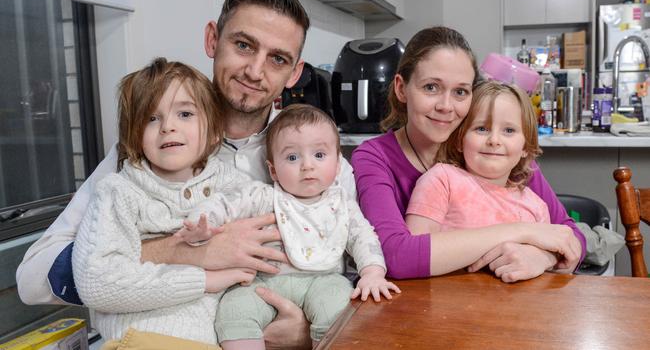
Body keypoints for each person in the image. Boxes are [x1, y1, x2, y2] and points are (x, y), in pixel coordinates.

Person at [17, 0, 345, 348]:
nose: (255, 70)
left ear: (295, 73)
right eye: (243, 45)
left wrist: (302, 331)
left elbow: (346, 271)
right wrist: (185, 252)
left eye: (278, 59)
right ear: (212, 39)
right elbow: (33, 278)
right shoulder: (147, 150)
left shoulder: (319, 158)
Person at [351, 26, 586, 284]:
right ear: (401, 88)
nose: (446, 106)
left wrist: (542, 257)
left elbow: (571, 235)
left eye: (460, 91)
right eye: (431, 87)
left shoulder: (492, 153)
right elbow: (396, 257)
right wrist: (526, 232)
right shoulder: (374, 157)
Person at [177, 104, 398, 349]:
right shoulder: (262, 196)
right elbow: (224, 203)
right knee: (234, 309)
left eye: (319, 155)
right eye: (292, 157)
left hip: (323, 280)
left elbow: (364, 237)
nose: (307, 165)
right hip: (264, 283)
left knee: (338, 308)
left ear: (337, 165)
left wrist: (372, 272)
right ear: (272, 169)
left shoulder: (341, 204)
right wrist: (202, 223)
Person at [72, 58, 257, 344]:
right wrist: (204, 280)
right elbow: (96, 282)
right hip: (140, 339)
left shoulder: (233, 185)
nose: (168, 127)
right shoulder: (119, 192)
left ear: (214, 130)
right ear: (133, 134)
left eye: (184, 114)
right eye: (151, 118)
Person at [406, 80, 558, 282]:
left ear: (525, 147)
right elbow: (414, 252)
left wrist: (547, 257)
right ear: (460, 139)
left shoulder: (536, 207)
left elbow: (544, 270)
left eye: (509, 131)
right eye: (482, 129)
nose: (494, 140)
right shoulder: (442, 180)